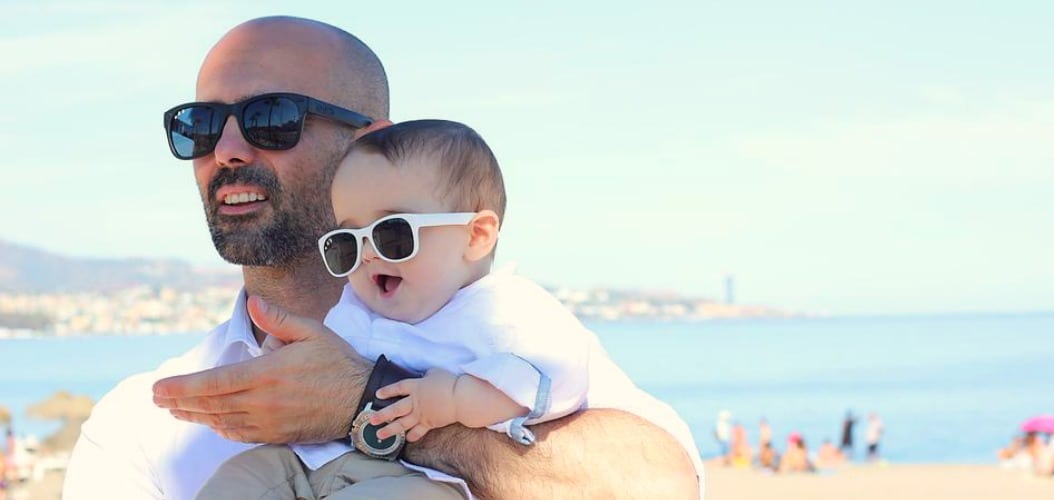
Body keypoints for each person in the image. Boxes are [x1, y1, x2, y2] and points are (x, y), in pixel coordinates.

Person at [63, 16, 700, 500]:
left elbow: (660, 485)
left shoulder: (498, 328)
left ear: (369, 143)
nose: (226, 148)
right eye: (200, 125)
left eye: (271, 118)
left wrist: (367, 400)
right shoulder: (142, 422)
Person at [196, 120, 702, 498]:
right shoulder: (354, 303)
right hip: (311, 463)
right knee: (237, 480)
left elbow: (556, 378)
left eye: (394, 234)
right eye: (346, 242)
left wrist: (458, 399)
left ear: (476, 237)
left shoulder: (506, 310)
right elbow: (318, 368)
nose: (367, 254)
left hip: (422, 480)